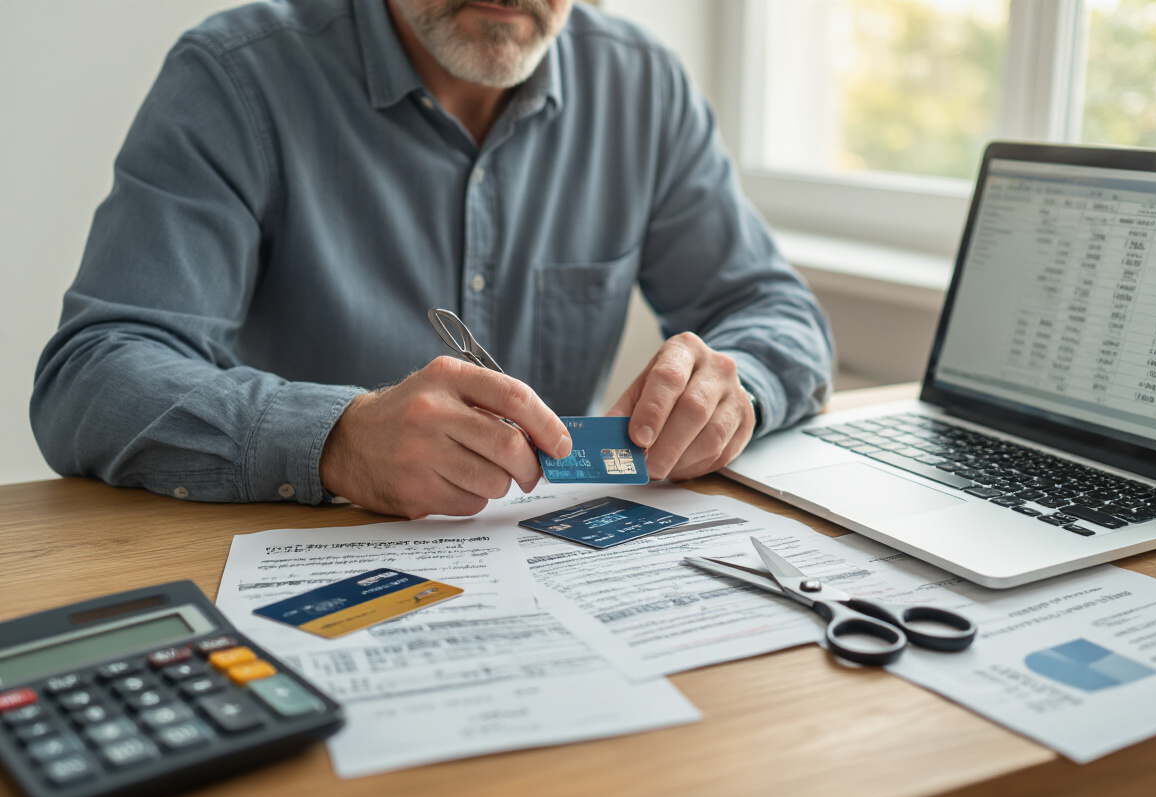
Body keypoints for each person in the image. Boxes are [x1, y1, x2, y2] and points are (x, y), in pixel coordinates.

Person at [31, 0, 834, 519]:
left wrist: (736, 387)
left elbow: (779, 315)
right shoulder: (236, 77)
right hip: (309, 570)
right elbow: (92, 376)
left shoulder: (642, 85)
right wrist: (335, 440)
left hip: (560, 578)